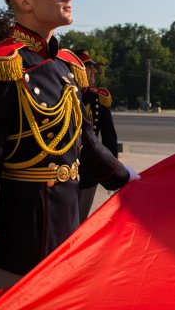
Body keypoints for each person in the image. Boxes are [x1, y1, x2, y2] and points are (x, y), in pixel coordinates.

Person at [0, 0, 140, 310]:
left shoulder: (67, 66)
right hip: (19, 243)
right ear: (24, 0)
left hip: (66, 234)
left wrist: (126, 178)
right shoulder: (1, 64)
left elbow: (82, 141)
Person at [77, 50, 119, 221]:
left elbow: (109, 138)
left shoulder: (98, 97)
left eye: (94, 68)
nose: (94, 71)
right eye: (89, 67)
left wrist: (113, 173)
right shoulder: (60, 92)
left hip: (88, 172)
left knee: (79, 222)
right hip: (60, 172)